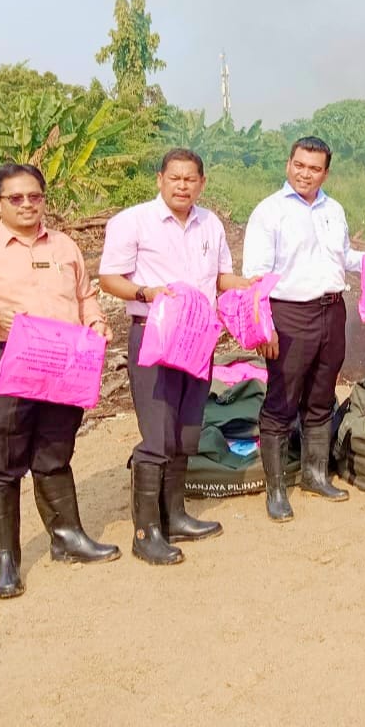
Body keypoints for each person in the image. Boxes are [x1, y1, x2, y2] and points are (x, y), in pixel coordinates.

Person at [0, 163, 119, 599]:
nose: (26, 205)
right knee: (3, 463)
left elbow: (84, 297)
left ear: (44, 199)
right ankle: (6, 562)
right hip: (5, 360)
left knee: (55, 452)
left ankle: (68, 538)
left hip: (64, 360)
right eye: (16, 198)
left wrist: (96, 323)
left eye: (34, 196)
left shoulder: (64, 246)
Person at [99, 149, 251, 566]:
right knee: (157, 435)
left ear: (202, 183)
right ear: (160, 180)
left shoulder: (211, 223)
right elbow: (109, 278)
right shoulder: (132, 222)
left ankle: (176, 515)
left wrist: (246, 284)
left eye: (191, 179)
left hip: (198, 338)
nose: (183, 186)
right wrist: (146, 293)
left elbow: (218, 277)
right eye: (175, 178)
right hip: (155, 334)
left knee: (186, 431)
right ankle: (146, 532)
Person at [242, 136, 362, 523]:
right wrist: (265, 327)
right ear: (288, 164)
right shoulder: (269, 212)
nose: (305, 174)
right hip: (289, 314)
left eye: (314, 168)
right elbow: (255, 276)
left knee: (322, 396)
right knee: (282, 400)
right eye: (299, 165)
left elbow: (344, 257)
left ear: (326, 172)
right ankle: (276, 490)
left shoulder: (335, 209)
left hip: (332, 310)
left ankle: (314, 474)